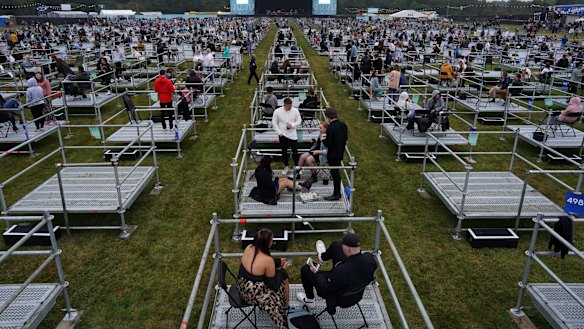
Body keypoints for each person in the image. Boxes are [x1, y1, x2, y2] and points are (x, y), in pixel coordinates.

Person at [296, 233, 377, 310]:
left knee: (305, 269)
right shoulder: (370, 259)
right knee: (336, 246)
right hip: (357, 295)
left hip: (340, 298)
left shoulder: (340, 271)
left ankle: (310, 300)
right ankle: (322, 257)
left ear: (348, 249)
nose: (342, 246)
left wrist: (316, 272)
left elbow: (326, 288)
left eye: (343, 246)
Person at [236, 228, 289, 329]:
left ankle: (284, 307)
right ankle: (283, 313)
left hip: (241, 287)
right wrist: (283, 270)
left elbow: (258, 264)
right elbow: (273, 285)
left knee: (279, 277)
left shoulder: (249, 247)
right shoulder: (267, 260)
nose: (274, 242)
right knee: (282, 282)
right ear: (266, 244)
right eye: (272, 241)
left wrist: (277, 262)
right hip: (253, 294)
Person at [322, 108, 348, 201]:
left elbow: (328, 143)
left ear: (328, 117)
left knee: (335, 174)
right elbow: (345, 138)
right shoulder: (343, 125)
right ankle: (337, 192)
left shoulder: (331, 128)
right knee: (336, 173)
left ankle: (336, 194)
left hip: (333, 154)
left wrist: (323, 139)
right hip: (340, 152)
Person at [272, 98, 302, 176]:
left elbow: (299, 120)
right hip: (282, 134)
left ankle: (297, 168)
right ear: (284, 104)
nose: (290, 107)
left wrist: (292, 125)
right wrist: (279, 132)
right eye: (289, 106)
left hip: (292, 134)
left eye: (291, 105)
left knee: (295, 151)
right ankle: (286, 167)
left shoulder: (295, 110)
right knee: (284, 151)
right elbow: (274, 123)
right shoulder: (277, 111)